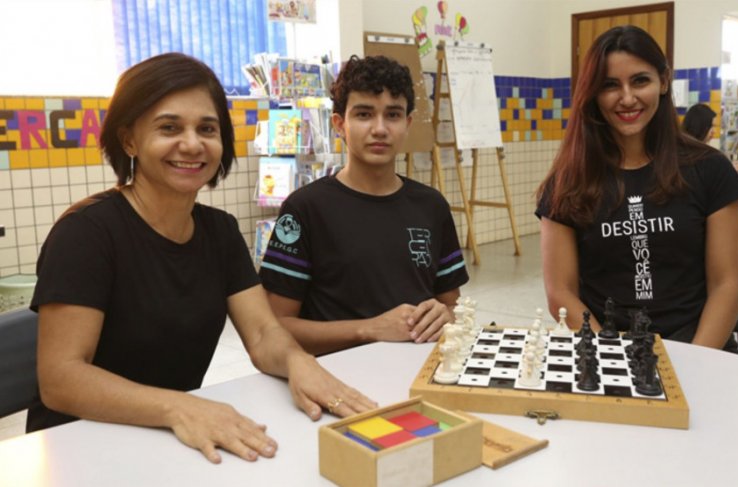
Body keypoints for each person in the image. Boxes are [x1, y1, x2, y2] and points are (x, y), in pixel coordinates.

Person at [29, 52, 375, 463]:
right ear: (129, 140)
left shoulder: (220, 231)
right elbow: (61, 379)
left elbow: (263, 335)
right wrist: (180, 407)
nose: (192, 144)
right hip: (81, 445)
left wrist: (298, 361)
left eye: (207, 128)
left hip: (169, 440)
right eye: (169, 127)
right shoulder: (86, 233)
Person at [536, 26, 738, 352]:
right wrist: (611, 360)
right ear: (593, 94)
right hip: (607, 355)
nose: (627, 98)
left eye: (640, 80)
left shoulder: (710, 169)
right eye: (610, 85)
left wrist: (696, 363)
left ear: (663, 81)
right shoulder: (567, 182)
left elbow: (727, 285)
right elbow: (560, 294)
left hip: (701, 351)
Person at [259, 55, 469, 356]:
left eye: (393, 115)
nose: (380, 128)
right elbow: (275, 328)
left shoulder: (431, 206)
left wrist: (445, 316)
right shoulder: (305, 209)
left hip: (416, 372)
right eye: (364, 114)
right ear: (339, 124)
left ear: (407, 124)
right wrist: (368, 329)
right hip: (336, 380)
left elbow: (452, 306)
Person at [682, 103, 738, 174]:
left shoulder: (698, 151)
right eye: (711, 126)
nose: (714, 131)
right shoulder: (689, 153)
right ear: (699, 126)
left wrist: (729, 167)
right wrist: (729, 170)